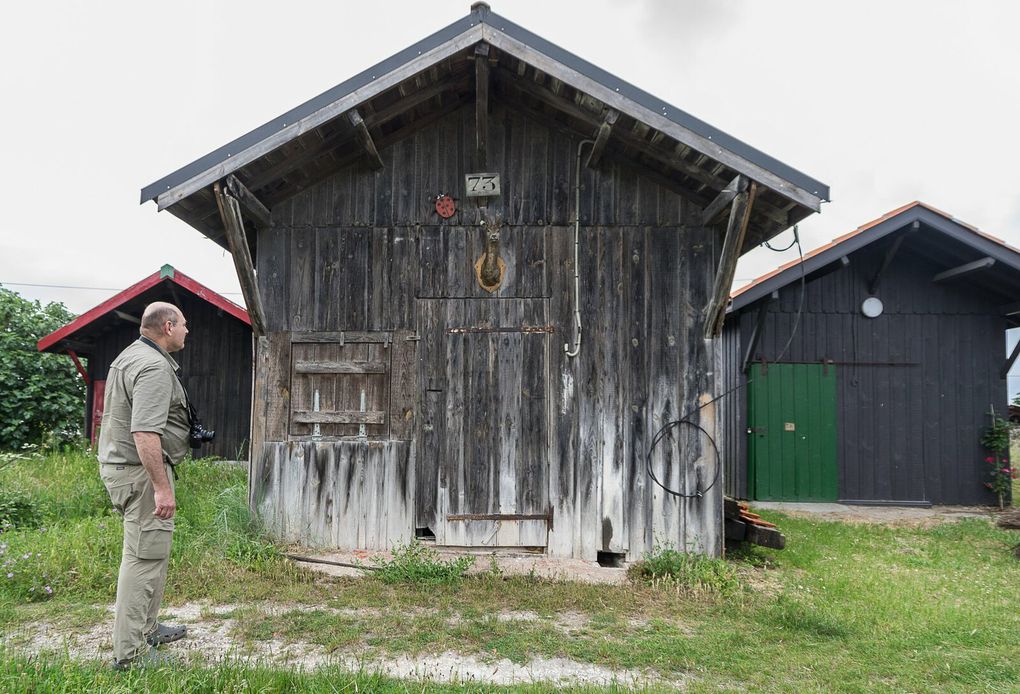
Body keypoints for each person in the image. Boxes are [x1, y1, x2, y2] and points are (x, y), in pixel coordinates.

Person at [98, 301, 191, 669]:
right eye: (184, 324)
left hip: (130, 469)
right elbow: (144, 431)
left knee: (153, 553)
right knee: (143, 558)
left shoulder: (133, 355)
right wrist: (161, 487)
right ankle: (130, 655)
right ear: (168, 326)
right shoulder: (152, 366)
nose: (187, 330)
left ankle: (147, 628)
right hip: (140, 473)